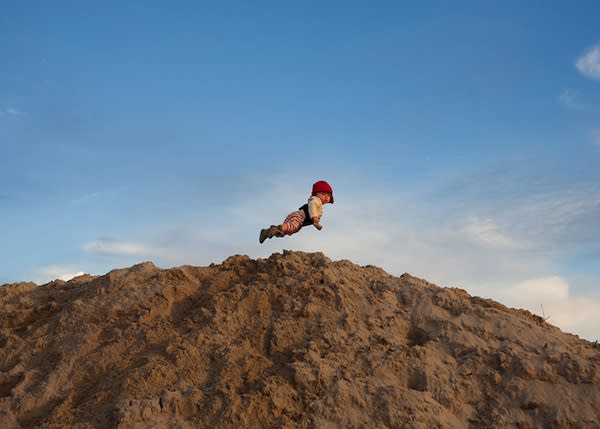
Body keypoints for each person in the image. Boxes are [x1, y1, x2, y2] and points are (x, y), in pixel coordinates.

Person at [259, 180, 334, 243]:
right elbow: (312, 207)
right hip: (300, 216)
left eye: (328, 195)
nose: (326, 197)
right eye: (323, 194)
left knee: (288, 231)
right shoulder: (315, 200)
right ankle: (277, 228)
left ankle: (267, 232)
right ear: (315, 194)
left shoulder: (319, 205)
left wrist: (316, 223)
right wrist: (314, 217)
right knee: (292, 227)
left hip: (300, 219)